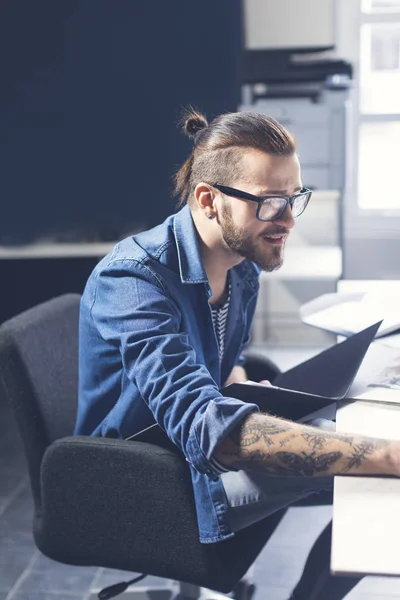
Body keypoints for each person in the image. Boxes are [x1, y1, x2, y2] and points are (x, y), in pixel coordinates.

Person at [75, 109, 400, 600]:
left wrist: (247, 385)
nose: (288, 220)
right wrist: (388, 455)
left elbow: (221, 364)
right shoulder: (132, 281)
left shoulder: (240, 262)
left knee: (369, 469)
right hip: (143, 480)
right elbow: (210, 431)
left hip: (195, 450)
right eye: (270, 203)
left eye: (294, 199)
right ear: (208, 200)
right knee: (377, 476)